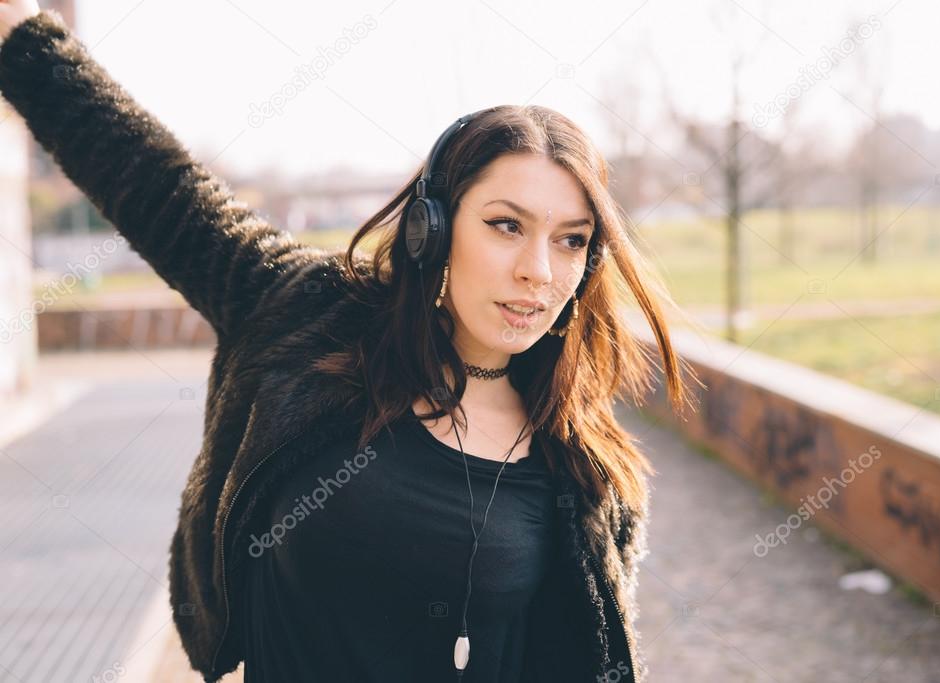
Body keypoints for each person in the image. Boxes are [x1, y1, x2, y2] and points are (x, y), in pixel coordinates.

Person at [0, 3, 693, 681]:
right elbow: (156, 184)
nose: (537, 271)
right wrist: (26, 40)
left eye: (570, 240)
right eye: (506, 225)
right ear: (434, 229)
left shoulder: (581, 467)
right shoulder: (304, 315)